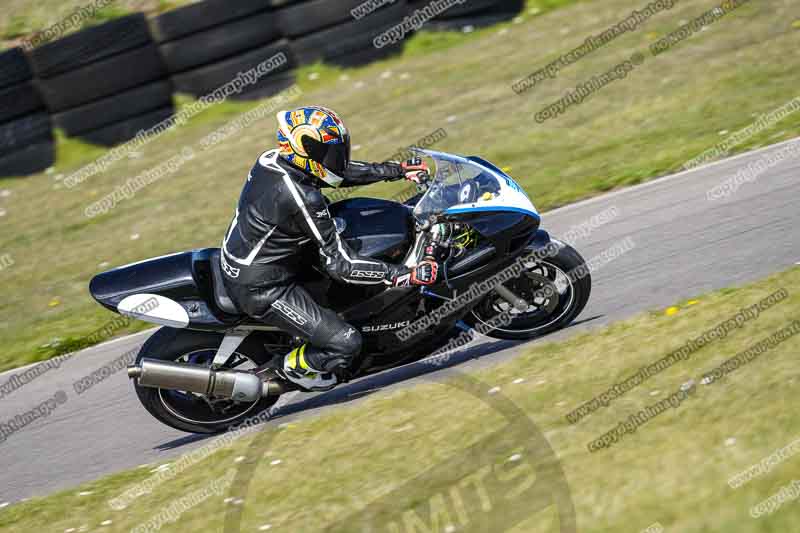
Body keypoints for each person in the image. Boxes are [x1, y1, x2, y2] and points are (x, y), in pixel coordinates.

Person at [220, 105, 438, 391]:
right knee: (345, 342)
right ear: (303, 150)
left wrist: (395, 170)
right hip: (262, 287)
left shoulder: (272, 160)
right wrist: (402, 274)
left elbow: (335, 173)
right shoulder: (300, 197)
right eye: (328, 152)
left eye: (336, 150)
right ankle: (272, 374)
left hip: (269, 259)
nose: (336, 158)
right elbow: (341, 265)